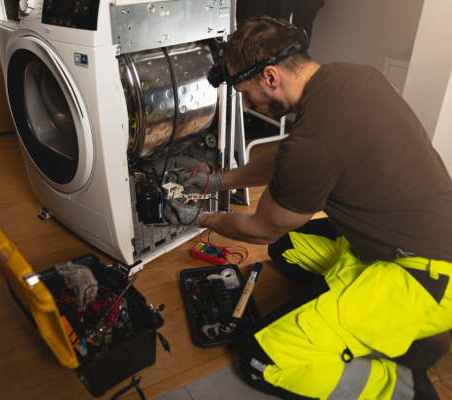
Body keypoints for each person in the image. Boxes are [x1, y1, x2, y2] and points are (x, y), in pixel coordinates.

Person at [164, 16, 452, 400]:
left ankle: (406, 385)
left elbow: (262, 229)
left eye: (245, 93)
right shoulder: (348, 77)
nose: (247, 103)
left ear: (270, 76)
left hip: (425, 278)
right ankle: (347, 309)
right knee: (288, 249)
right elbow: (290, 153)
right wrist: (218, 182)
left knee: (260, 359)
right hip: (404, 240)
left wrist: (199, 218)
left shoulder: (313, 146)